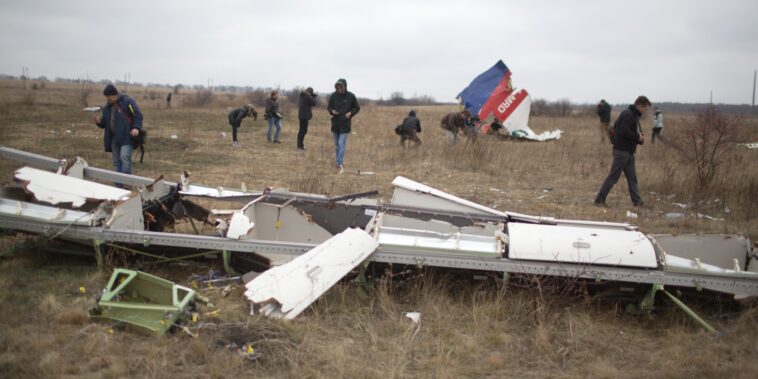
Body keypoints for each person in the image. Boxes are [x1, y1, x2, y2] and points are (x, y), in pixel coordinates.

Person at [594, 96, 651, 207]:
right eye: (645, 108)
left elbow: (621, 131)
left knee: (632, 178)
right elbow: (624, 131)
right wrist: (637, 137)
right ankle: (599, 200)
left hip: (628, 152)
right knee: (613, 177)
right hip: (622, 152)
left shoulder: (630, 114)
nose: (645, 111)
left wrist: (638, 140)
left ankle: (637, 202)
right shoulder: (628, 115)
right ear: (640, 105)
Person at [93, 84, 143, 180]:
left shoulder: (128, 102)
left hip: (127, 138)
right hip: (114, 139)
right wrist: (99, 122)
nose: (107, 99)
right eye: (106, 97)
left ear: (114, 94)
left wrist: (136, 128)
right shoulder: (106, 108)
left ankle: (127, 183)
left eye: (109, 96)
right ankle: (118, 185)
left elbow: (138, 116)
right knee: (117, 162)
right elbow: (105, 124)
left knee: (125, 158)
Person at [327, 78, 360, 174]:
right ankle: (339, 163)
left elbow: (357, 108)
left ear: (344, 87)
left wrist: (350, 113)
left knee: (341, 144)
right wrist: (332, 111)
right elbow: (329, 107)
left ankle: (338, 163)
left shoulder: (351, 96)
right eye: (337, 88)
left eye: (340, 87)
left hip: (345, 124)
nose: (339, 89)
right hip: (335, 124)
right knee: (337, 145)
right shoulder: (333, 96)